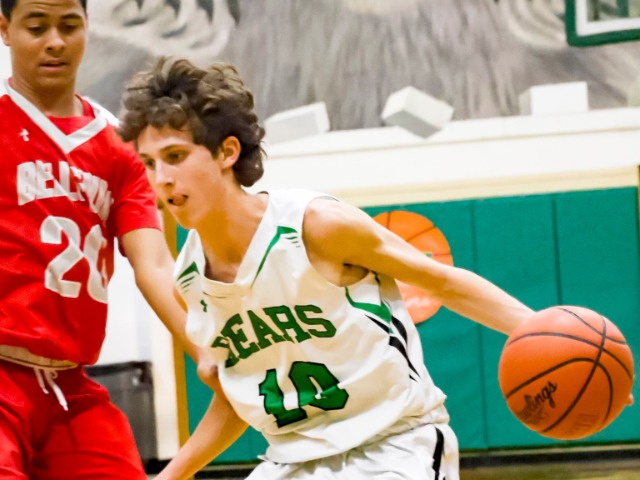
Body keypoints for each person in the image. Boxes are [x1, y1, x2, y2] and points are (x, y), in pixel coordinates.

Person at [118, 57, 535, 480]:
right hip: (290, 461)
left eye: (175, 156)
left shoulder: (315, 226)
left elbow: (443, 282)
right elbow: (232, 400)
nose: (161, 178)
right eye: (149, 163)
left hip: (394, 447)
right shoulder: (190, 281)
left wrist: (542, 329)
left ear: (227, 152)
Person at [0, 2, 212, 479]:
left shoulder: (120, 148)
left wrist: (203, 347)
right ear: (5, 30)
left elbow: (154, 265)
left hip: (70, 386)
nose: (55, 41)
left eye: (69, 26)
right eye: (37, 27)